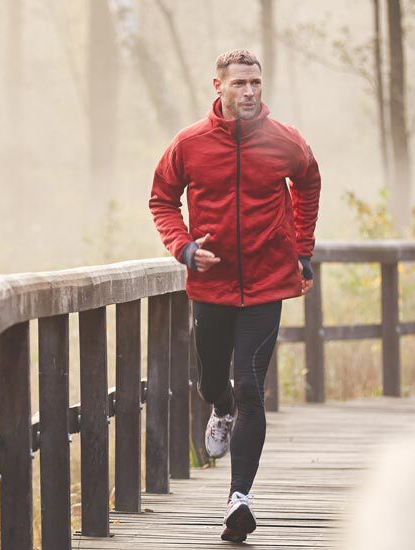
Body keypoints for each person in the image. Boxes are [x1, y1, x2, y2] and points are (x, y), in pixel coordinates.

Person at [148, 49, 322, 543]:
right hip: (212, 284)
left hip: (269, 283)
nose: (249, 91)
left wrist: (301, 249)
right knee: (212, 382)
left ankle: (238, 499)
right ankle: (217, 408)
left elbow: (308, 182)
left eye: (256, 83)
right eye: (240, 83)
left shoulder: (285, 142)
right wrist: (183, 247)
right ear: (218, 86)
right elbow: (162, 198)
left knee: (250, 384)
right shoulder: (190, 144)